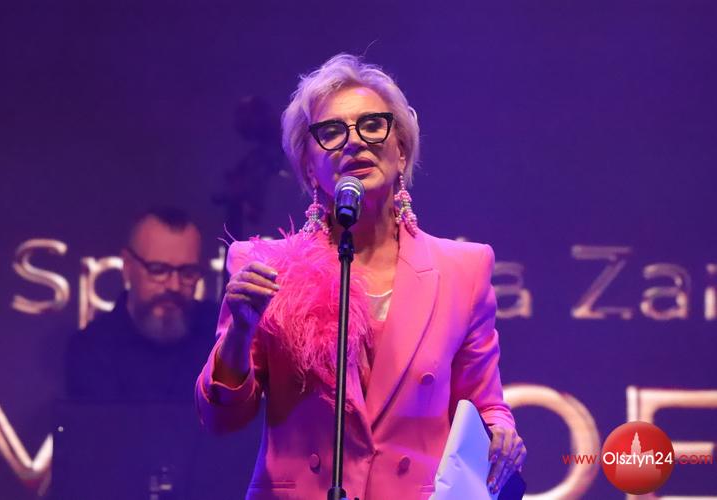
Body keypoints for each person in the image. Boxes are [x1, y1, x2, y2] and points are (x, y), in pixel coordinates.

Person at [195, 54, 527, 499]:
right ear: (309, 167)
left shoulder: (462, 269)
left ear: (401, 150)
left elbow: (484, 403)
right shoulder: (266, 267)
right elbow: (221, 418)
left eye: (372, 125)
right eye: (332, 132)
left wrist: (501, 432)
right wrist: (239, 333)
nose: (354, 142)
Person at [66, 207, 217, 402]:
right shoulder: (92, 349)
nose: (174, 286)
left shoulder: (221, 338)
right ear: (128, 266)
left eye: (188, 272)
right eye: (158, 270)